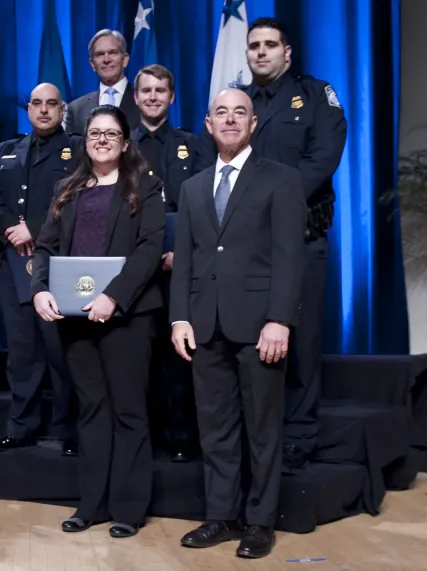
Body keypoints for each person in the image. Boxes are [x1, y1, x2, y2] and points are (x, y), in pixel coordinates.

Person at [201, 18, 348, 471]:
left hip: (299, 241)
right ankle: (251, 438)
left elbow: (322, 160)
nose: (260, 52)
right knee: (246, 343)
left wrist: (271, 206)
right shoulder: (239, 103)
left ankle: (299, 437)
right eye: (253, 46)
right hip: (243, 249)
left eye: (269, 45)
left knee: (298, 342)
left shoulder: (316, 97)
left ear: (288, 52)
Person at [171, 88, 307, 558]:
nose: (230, 120)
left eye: (240, 113)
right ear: (208, 125)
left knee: (263, 429)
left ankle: (259, 522)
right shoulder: (192, 187)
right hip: (205, 325)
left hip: (259, 326)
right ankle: (222, 517)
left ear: (254, 124)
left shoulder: (282, 180)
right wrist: (179, 318)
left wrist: (279, 320)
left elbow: (291, 257)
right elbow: (185, 260)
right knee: (215, 429)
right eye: (220, 113)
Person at [32, 105, 164, 538]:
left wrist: (113, 297)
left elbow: (149, 249)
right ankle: (91, 504)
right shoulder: (67, 187)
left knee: (128, 412)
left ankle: (127, 508)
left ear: (126, 142)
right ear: (84, 140)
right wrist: (41, 288)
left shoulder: (144, 185)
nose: (102, 140)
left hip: (127, 316)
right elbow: (45, 246)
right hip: (75, 318)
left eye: (111, 133)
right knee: (90, 411)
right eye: (94, 133)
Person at [0, 83, 80, 454]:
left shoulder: (78, 151)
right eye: (36, 104)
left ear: (62, 109)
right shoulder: (8, 150)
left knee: (61, 351)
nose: (43, 110)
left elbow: (79, 199)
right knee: (22, 351)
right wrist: (12, 229)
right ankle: (22, 425)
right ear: (28, 109)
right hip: (15, 263)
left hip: (59, 263)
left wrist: (34, 230)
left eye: (51, 104)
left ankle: (70, 429)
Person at [130, 64, 205, 463]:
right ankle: (147, 436)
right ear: (136, 97)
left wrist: (185, 254)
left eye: (161, 90)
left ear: (172, 97)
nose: (154, 96)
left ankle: (181, 434)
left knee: (180, 356)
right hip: (135, 273)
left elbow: (206, 209)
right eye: (146, 91)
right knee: (141, 356)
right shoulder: (123, 147)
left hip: (182, 269)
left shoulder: (194, 145)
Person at [64, 29, 141, 136]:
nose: (106, 59)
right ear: (92, 64)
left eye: (113, 52)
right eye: (99, 54)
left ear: (125, 59)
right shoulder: (76, 109)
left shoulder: (145, 103)